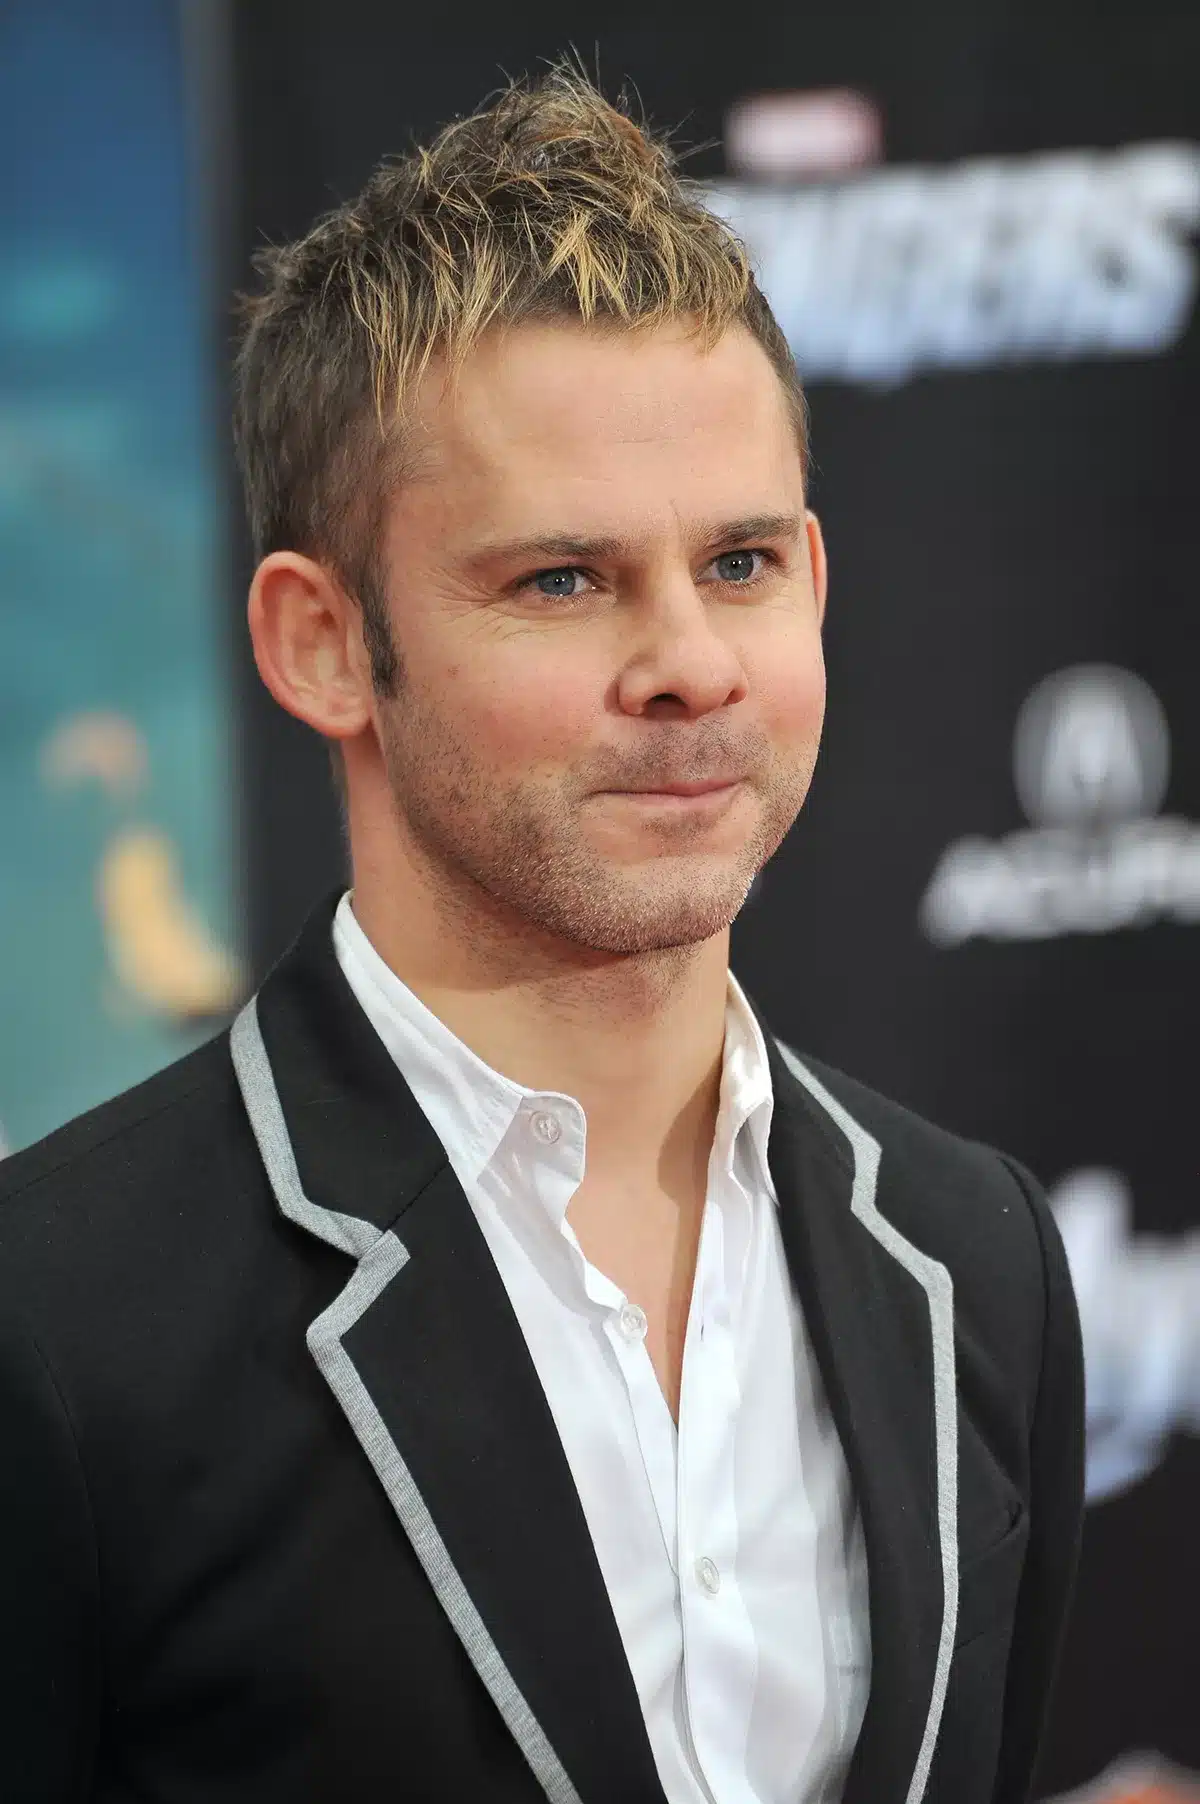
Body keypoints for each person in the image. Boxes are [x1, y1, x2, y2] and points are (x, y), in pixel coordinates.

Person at [0, 65, 1083, 1804]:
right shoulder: (54, 1324)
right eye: (561, 580)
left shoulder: (975, 1256)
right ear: (322, 645)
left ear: (815, 576)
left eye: (740, 563)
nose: (691, 666)